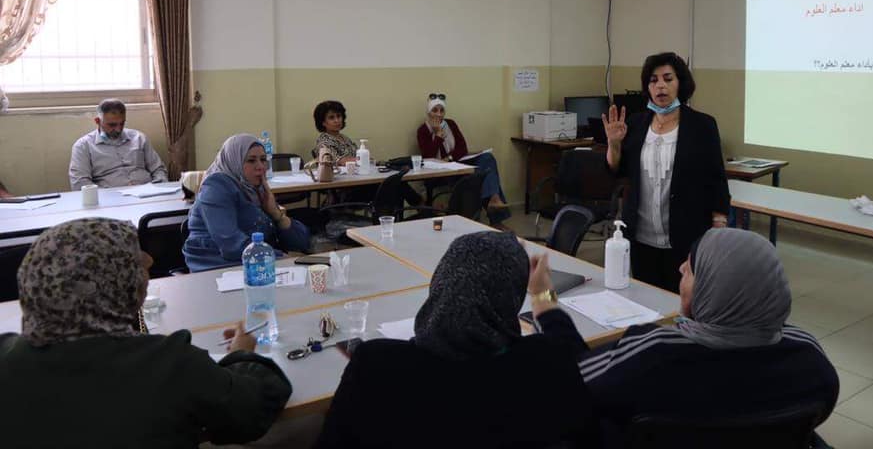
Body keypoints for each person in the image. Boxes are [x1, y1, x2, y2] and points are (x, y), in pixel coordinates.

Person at [0, 218, 293, 448]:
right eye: (132, 261)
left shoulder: (6, 355)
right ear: (112, 285)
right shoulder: (169, 363)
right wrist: (241, 354)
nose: (149, 262)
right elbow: (255, 407)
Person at [315, 231, 594, 448]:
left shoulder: (376, 363)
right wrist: (542, 294)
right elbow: (575, 356)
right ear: (511, 298)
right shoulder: (544, 361)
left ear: (440, 283)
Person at [578, 228, 839, 445]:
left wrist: (556, 320)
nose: (681, 268)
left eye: (693, 269)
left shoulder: (652, 354)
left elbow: (574, 386)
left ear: (712, 289)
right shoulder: (810, 360)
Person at [603, 52, 729, 292]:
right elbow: (616, 170)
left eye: (668, 79)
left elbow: (716, 178)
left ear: (680, 83)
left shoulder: (702, 125)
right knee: (645, 298)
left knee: (683, 299)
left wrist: (718, 225)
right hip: (640, 236)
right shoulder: (636, 124)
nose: (660, 85)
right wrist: (614, 144)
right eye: (653, 80)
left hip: (686, 235)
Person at [183, 134, 311, 272]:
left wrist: (276, 214)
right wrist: (280, 258)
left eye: (263, 160)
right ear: (235, 161)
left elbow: (302, 242)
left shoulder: (255, 189)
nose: (260, 167)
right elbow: (231, 245)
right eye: (251, 161)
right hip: (216, 264)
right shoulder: (216, 188)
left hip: (252, 260)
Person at [417, 93, 510, 226]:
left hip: (456, 166)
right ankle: (496, 217)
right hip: (438, 173)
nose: (438, 114)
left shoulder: (451, 124)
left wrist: (449, 158)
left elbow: (462, 148)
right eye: (435, 110)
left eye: (442, 110)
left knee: (487, 160)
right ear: (428, 112)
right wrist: (437, 136)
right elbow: (428, 156)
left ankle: (494, 199)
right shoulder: (422, 131)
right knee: (480, 177)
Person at [69, 98, 168, 190]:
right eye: (112, 125)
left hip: (148, 192)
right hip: (109, 198)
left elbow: (158, 169)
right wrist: (104, 197)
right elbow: (80, 182)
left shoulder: (139, 138)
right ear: (98, 121)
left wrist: (158, 187)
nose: (118, 129)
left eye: (122, 123)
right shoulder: (83, 146)